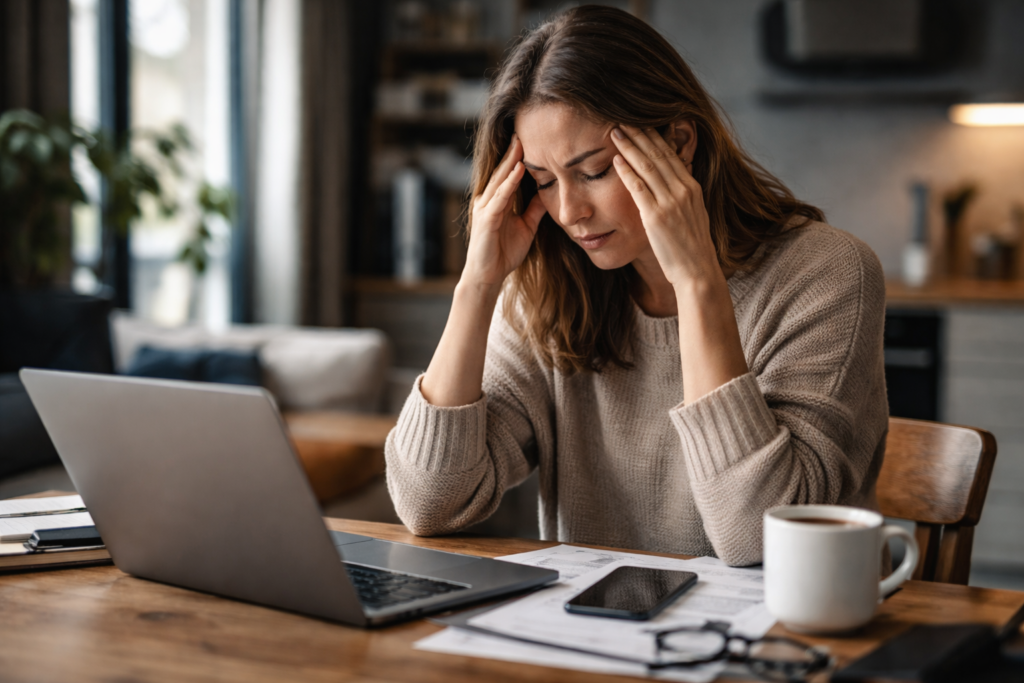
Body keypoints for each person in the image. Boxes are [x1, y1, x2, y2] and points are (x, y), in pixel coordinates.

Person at [385, 5, 888, 566]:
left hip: (769, 641)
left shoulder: (825, 273)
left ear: (677, 142)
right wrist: (477, 285)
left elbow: (757, 541)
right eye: (543, 182)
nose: (569, 211)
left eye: (594, 171)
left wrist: (697, 283)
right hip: (589, 638)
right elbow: (428, 504)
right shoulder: (548, 286)